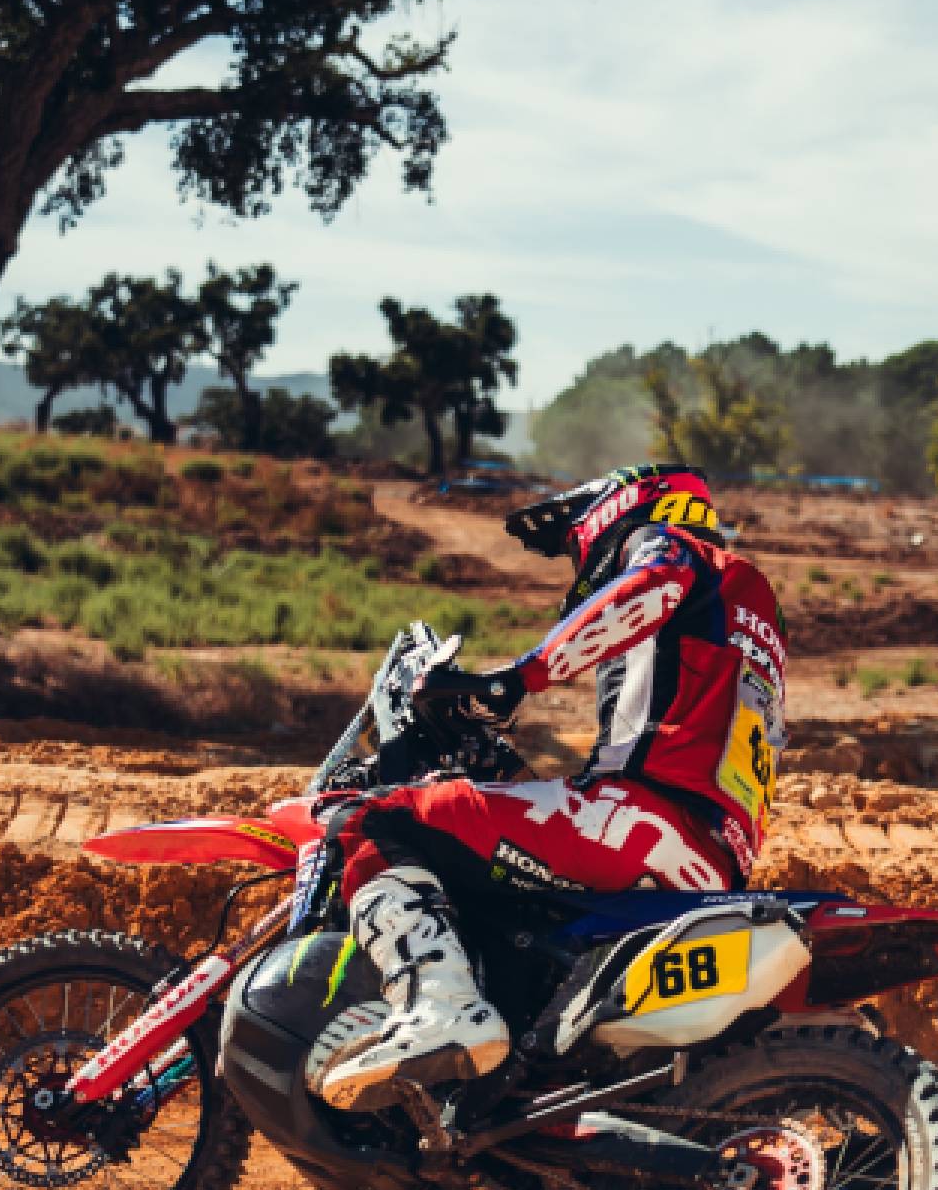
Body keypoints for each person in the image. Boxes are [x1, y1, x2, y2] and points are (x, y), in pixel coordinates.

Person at [310, 463, 788, 1110]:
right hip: (707, 856)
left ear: (621, 509)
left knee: (374, 821)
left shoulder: (672, 551)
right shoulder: (745, 606)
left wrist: (516, 678)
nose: (578, 560)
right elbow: (676, 744)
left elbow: (652, 583)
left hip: (642, 819)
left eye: (573, 544)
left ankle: (442, 1006)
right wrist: (500, 771)